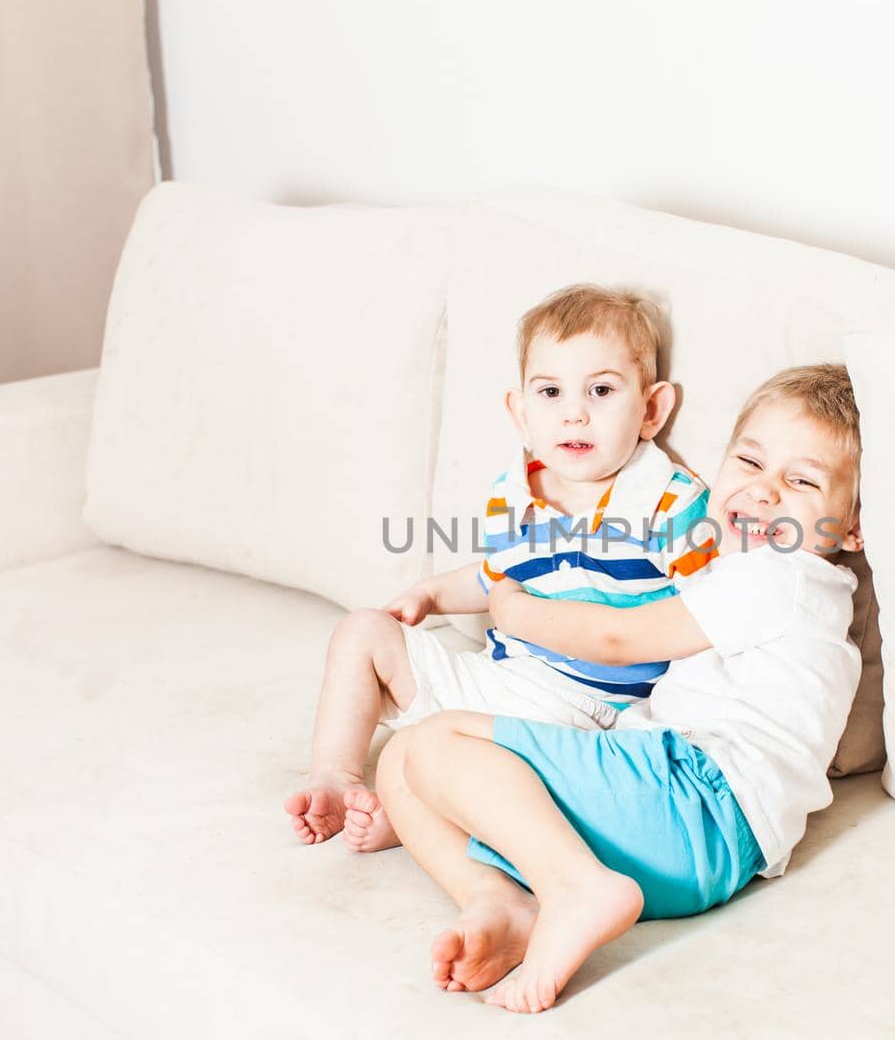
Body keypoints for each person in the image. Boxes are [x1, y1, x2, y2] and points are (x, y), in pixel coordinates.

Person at [376, 364, 865, 1013]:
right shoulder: (745, 569)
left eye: (801, 480)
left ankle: (576, 885)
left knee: (434, 742)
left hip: (699, 796)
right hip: (685, 836)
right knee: (398, 763)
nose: (764, 490)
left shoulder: (786, 575)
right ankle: (504, 904)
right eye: (748, 461)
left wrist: (514, 611)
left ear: (853, 528)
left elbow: (620, 638)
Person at [285, 284, 715, 850]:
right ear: (520, 411)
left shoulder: (669, 501)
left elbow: (708, 611)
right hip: (501, 678)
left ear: (652, 409)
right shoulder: (515, 492)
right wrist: (433, 595)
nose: (575, 413)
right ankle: (335, 778)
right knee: (362, 631)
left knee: (487, 767)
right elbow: (501, 575)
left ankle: (414, 810)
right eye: (551, 392)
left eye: (602, 390)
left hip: (583, 716)